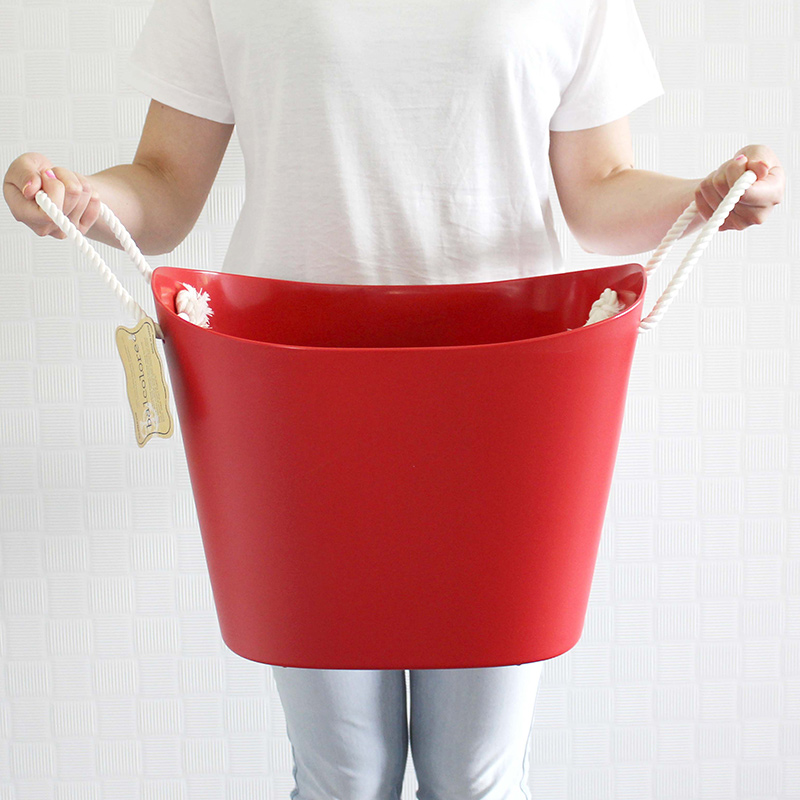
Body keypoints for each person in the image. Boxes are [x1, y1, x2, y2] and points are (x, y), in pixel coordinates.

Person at [3, 0, 785, 798]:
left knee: (475, 775)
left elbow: (599, 188)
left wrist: (705, 197)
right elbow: (165, 185)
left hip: (508, 400)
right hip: (295, 400)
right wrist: (79, 198)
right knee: (344, 774)